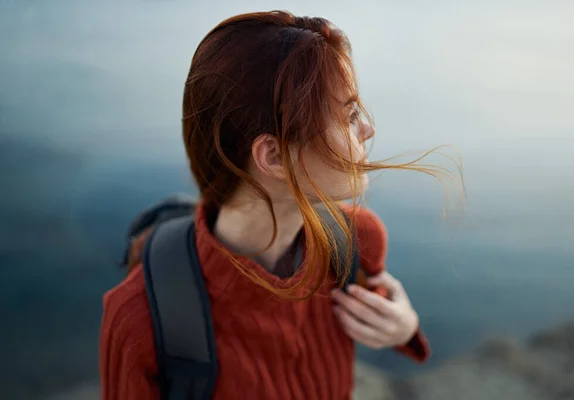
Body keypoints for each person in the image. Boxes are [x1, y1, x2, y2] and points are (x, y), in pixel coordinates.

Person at [100, 10, 434, 400]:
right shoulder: (137, 317)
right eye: (349, 116)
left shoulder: (358, 238)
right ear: (273, 156)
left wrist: (404, 326)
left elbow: (382, 308)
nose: (368, 130)